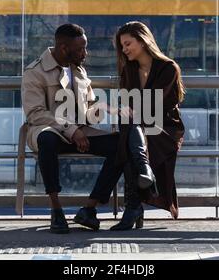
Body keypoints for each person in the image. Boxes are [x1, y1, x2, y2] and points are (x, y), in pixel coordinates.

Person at [21, 23, 121, 234]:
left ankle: (89, 209)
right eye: (81, 49)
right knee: (46, 140)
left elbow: (90, 107)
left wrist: (106, 108)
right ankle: (56, 210)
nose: (86, 53)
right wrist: (71, 130)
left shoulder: (79, 70)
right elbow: (36, 113)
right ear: (64, 48)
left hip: (81, 133)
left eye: (85, 48)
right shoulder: (35, 72)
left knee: (122, 144)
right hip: (49, 131)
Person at [110, 21, 185, 231]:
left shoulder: (168, 68)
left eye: (127, 44)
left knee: (128, 138)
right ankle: (141, 180)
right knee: (129, 133)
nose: (124, 50)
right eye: (122, 46)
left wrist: (130, 112)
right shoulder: (129, 70)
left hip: (165, 127)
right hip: (139, 125)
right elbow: (126, 104)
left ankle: (133, 207)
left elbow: (153, 104)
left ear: (143, 41)